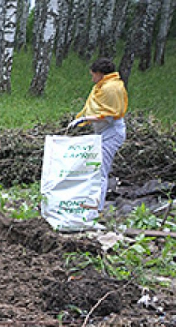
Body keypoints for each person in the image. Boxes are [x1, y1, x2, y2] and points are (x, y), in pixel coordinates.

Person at [69, 57, 128, 211]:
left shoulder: (111, 89)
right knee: (94, 167)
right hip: (103, 132)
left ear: (101, 74)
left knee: (100, 169)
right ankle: (91, 202)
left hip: (111, 133)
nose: (92, 78)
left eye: (93, 75)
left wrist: (84, 119)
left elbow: (108, 116)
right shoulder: (105, 85)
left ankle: (96, 208)